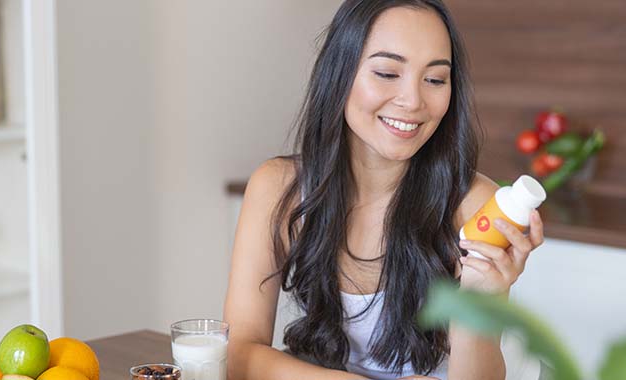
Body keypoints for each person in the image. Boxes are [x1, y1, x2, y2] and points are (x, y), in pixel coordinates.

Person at [223, 1, 546, 379]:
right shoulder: (279, 189)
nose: (412, 101)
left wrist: (482, 295)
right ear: (339, 74)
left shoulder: (476, 208)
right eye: (387, 72)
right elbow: (238, 354)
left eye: (435, 79)